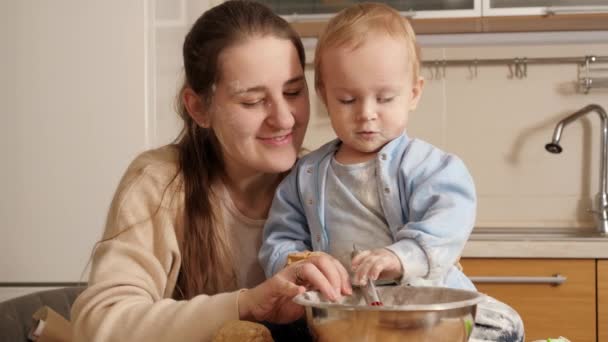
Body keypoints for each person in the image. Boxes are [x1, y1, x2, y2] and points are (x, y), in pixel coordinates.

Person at [70, 1, 352, 341]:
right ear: (199, 108)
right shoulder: (160, 183)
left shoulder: (332, 179)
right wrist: (248, 304)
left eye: (293, 91)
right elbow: (99, 322)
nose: (284, 119)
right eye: (251, 101)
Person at [259, 3, 524, 341]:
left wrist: (400, 256)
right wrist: (300, 266)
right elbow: (279, 238)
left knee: (506, 324)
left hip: (423, 307)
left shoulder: (431, 167)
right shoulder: (306, 174)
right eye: (347, 100)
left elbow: (450, 219)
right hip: (346, 310)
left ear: (413, 93)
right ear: (324, 95)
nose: (366, 113)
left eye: (384, 98)